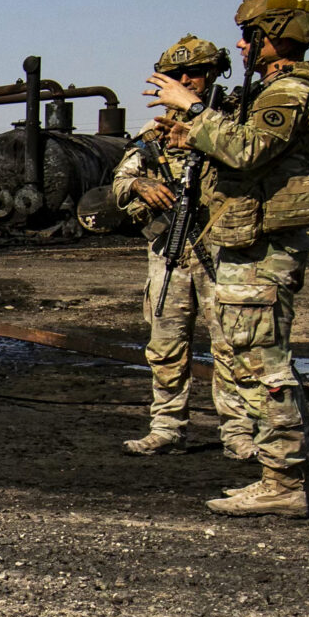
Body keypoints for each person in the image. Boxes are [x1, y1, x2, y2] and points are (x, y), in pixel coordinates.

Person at [150, 0, 309, 518]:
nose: (239, 47)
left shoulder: (292, 92)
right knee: (246, 357)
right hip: (247, 241)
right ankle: (277, 475)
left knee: (263, 362)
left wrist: (192, 107)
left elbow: (247, 149)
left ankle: (285, 481)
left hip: (264, 246)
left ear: (276, 35)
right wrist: (190, 132)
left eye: (248, 36)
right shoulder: (275, 90)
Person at [109, 36, 238, 457]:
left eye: (195, 73)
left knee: (231, 344)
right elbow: (119, 183)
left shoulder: (231, 123)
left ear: (214, 74)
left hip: (224, 247)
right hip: (170, 249)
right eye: (177, 75)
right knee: (165, 346)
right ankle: (167, 426)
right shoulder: (154, 133)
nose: (186, 80)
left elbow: (251, 162)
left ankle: (238, 431)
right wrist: (141, 185)